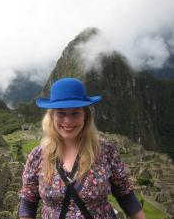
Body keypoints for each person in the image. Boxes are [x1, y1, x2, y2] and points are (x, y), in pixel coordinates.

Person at [19, 78, 146, 219]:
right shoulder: (38, 156)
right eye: (61, 113)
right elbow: (28, 203)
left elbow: (126, 195)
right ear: (51, 116)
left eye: (75, 113)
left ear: (85, 115)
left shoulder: (105, 150)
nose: (68, 121)